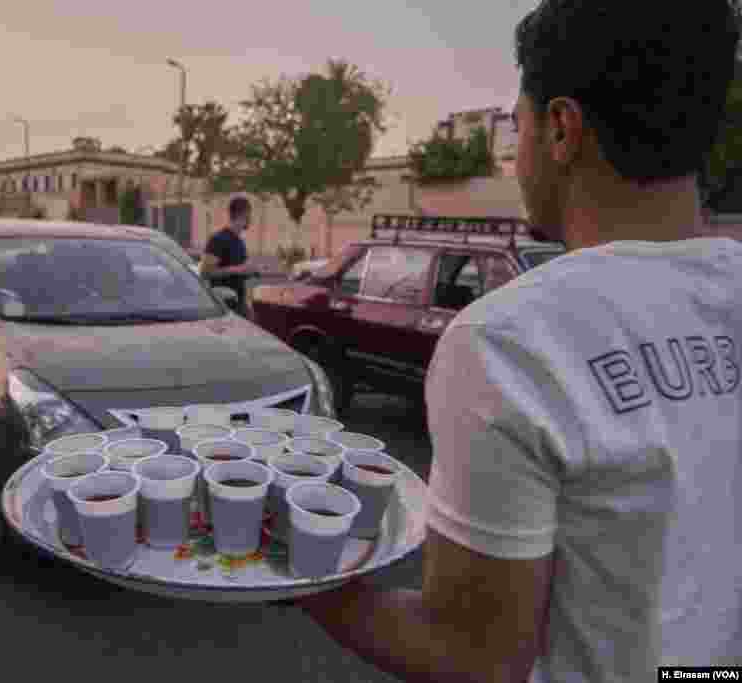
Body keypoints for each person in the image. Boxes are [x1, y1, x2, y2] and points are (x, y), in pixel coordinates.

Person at [298, 1, 742, 681]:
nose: (516, 158)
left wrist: (297, 568)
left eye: (520, 124)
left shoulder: (510, 341)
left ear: (561, 128)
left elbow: (477, 656)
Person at [200, 196, 258, 314]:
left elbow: (239, 270)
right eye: (250, 215)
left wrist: (250, 270)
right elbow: (205, 272)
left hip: (240, 303)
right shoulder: (218, 239)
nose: (251, 219)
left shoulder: (239, 240)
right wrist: (238, 269)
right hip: (224, 306)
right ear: (244, 214)